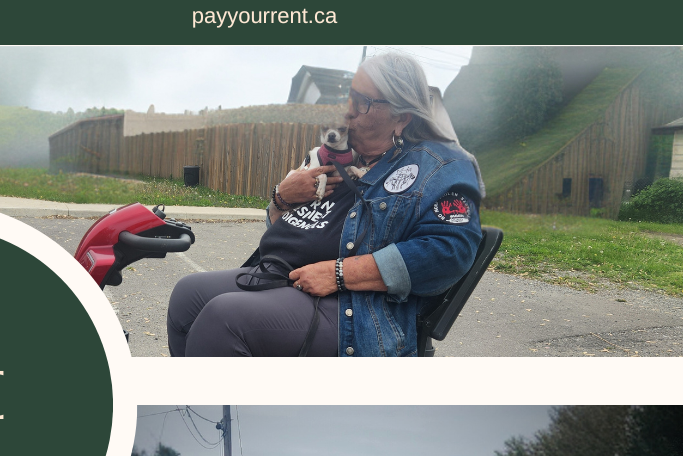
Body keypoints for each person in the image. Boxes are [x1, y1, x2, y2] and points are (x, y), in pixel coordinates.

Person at [167, 52, 484, 356]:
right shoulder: (341, 160)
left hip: (351, 306)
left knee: (224, 320)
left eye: (364, 103)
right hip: (282, 273)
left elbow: (449, 252)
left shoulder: (439, 166)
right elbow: (300, 227)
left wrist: (341, 273)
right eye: (350, 96)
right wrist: (282, 197)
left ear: (401, 117)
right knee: (187, 296)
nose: (348, 112)